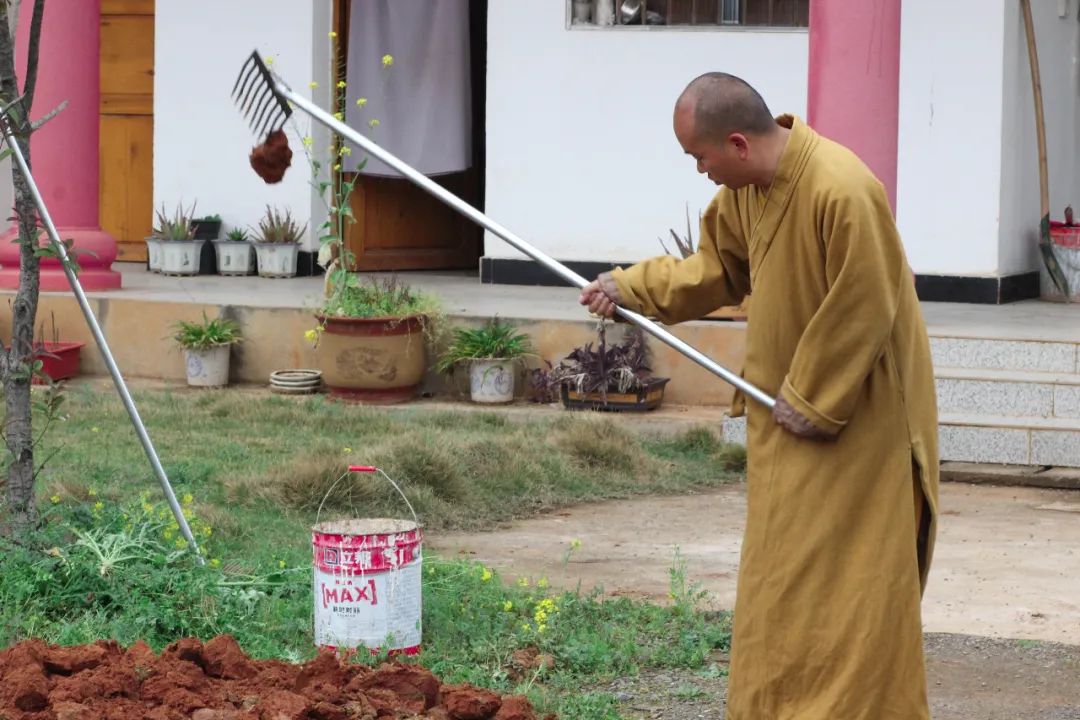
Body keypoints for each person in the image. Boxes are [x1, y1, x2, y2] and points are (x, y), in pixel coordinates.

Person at [580, 72, 940, 719]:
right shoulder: (747, 195)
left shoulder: (844, 188)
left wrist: (815, 396)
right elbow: (712, 269)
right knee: (782, 580)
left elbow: (867, 302)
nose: (700, 172)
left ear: (738, 145)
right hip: (787, 419)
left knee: (856, 586)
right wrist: (630, 288)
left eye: (701, 157)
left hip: (856, 415)